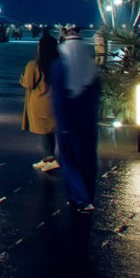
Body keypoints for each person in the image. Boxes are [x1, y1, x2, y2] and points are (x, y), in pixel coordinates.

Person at [49, 27, 100, 215]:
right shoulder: (90, 66)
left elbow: (57, 99)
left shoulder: (59, 66)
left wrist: (60, 126)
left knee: (70, 162)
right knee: (88, 160)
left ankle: (79, 198)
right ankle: (88, 196)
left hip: (68, 123)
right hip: (87, 122)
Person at [23, 34, 59, 171]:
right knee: (50, 132)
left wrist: (22, 79)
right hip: (54, 102)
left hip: (39, 103)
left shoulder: (34, 65)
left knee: (43, 133)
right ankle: (48, 158)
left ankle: (51, 159)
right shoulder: (59, 64)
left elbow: (28, 83)